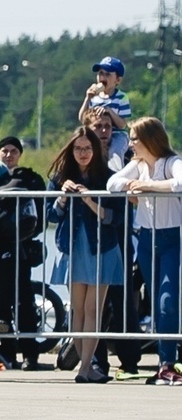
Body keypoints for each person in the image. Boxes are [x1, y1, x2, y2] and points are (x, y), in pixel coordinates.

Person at [107, 116, 182, 385]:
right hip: (147, 242)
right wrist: (131, 185)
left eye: (135, 139)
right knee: (156, 302)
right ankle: (165, 362)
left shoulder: (171, 163)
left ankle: (167, 362)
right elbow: (112, 184)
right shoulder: (137, 166)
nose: (131, 144)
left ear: (150, 139)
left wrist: (149, 186)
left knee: (167, 303)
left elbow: (180, 183)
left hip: (172, 239)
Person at [46, 126, 124, 384]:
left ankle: (86, 367)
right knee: (77, 310)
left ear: (95, 149)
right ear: (71, 150)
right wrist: (62, 198)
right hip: (72, 247)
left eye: (87, 148)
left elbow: (115, 218)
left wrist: (91, 201)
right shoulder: (58, 178)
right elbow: (50, 216)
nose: (83, 153)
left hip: (102, 248)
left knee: (93, 309)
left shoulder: (108, 178)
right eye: (78, 148)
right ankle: (85, 366)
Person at [82, 110, 141, 376]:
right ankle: (97, 361)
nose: (103, 131)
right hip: (91, 235)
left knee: (122, 295)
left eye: (107, 126)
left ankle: (129, 359)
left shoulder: (124, 155)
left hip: (119, 230)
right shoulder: (83, 157)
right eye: (98, 126)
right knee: (94, 301)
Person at [0, 136, 45, 371]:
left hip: (22, 249)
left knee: (24, 303)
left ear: (19, 154)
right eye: (4, 151)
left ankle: (31, 355)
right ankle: (7, 354)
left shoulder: (30, 179)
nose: (8, 155)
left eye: (13, 151)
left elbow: (41, 214)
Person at [77, 57, 131, 153]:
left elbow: (122, 125)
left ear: (117, 80)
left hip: (116, 134)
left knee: (115, 151)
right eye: (101, 73)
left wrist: (109, 111)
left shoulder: (121, 97)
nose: (103, 77)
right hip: (96, 134)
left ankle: (116, 167)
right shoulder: (94, 98)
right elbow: (82, 119)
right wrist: (87, 98)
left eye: (107, 75)